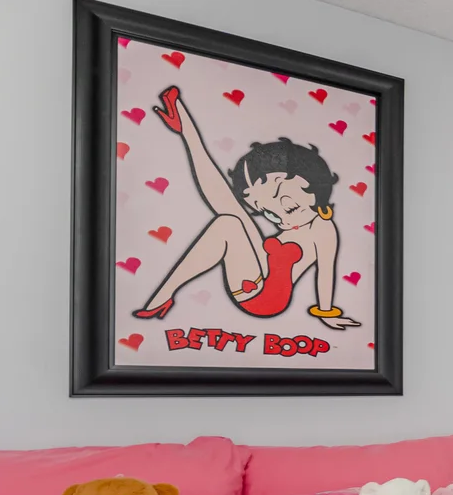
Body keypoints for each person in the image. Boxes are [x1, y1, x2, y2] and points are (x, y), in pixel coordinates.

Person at [134, 85, 360, 329]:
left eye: (289, 207)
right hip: (255, 280)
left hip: (267, 299)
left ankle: (163, 295)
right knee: (231, 212)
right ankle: (187, 131)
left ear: (316, 187)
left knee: (228, 223)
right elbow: (223, 200)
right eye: (269, 213)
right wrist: (188, 132)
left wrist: (326, 312)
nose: (282, 219)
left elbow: (325, 271)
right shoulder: (294, 226)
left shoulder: (324, 229)